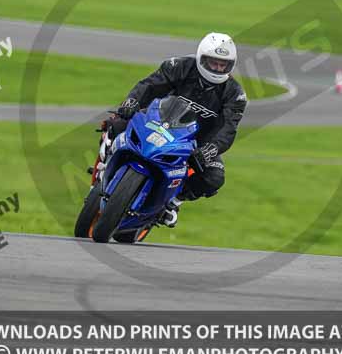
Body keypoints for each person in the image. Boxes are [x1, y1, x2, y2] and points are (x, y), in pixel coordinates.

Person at [100, 32, 247, 227]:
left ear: (231, 65)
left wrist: (210, 150)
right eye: (213, 62)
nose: (218, 68)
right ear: (201, 58)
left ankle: (172, 202)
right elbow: (149, 85)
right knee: (117, 122)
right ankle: (106, 160)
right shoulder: (178, 66)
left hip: (195, 142)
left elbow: (229, 129)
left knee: (214, 177)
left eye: (223, 64)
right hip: (157, 122)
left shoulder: (235, 94)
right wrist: (132, 101)